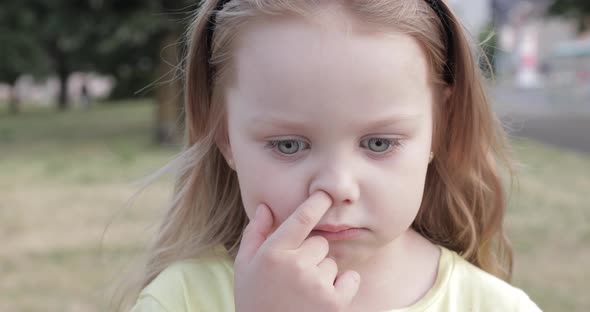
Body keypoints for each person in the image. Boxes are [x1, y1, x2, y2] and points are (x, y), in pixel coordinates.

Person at [124, 0, 542, 311]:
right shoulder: (177, 300)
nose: (338, 185)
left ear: (440, 126)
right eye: (288, 145)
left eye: (379, 143)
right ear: (225, 137)